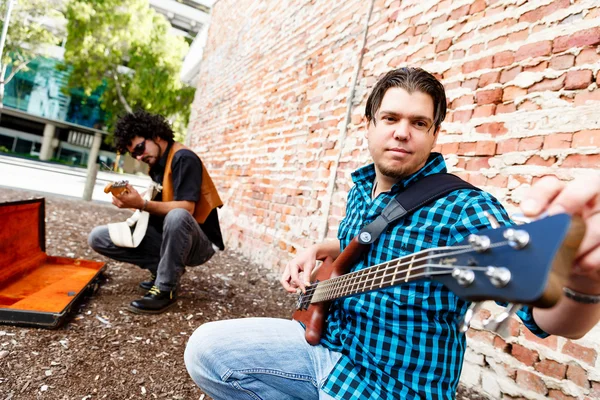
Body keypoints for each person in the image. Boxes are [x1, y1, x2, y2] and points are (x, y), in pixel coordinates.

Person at [183, 68, 600, 399]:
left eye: (419, 122)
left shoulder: (466, 209)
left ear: (434, 134)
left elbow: (544, 313)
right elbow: (359, 244)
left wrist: (582, 285)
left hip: (387, 387)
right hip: (327, 345)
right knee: (206, 351)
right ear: (369, 125)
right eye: (391, 118)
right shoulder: (365, 187)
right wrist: (318, 249)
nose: (402, 131)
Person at [88, 111, 225, 314]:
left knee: (177, 215)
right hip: (172, 237)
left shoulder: (183, 158)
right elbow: (159, 202)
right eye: (135, 155)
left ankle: (165, 289)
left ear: (156, 135)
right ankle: (161, 271)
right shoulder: (157, 163)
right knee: (97, 237)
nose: (140, 157)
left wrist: (142, 203)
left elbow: (186, 208)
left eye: (140, 148)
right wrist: (132, 201)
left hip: (199, 243)